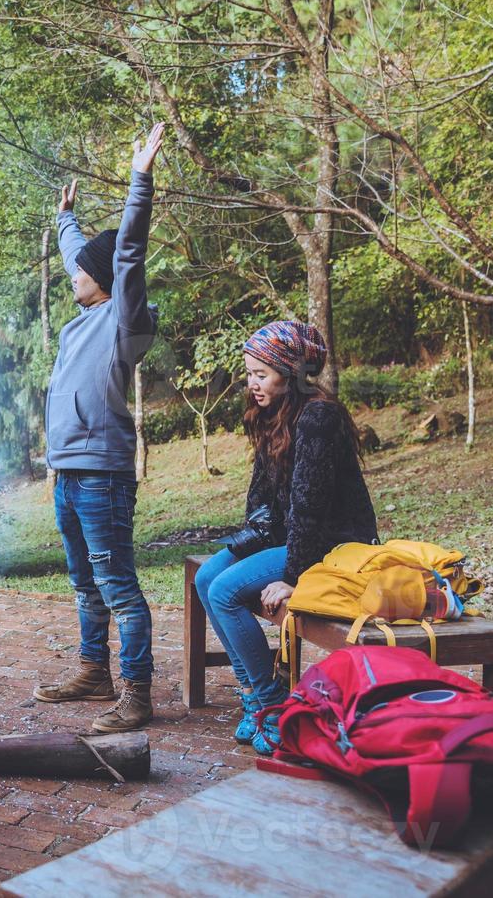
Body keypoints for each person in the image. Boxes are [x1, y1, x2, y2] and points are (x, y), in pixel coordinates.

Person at [32, 122, 165, 733]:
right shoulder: (82, 316)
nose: (72, 275)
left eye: (83, 270)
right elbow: (79, 256)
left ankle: (136, 693)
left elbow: (127, 252)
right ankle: (94, 671)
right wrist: (66, 220)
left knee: (116, 586)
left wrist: (140, 179)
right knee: (85, 583)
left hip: (102, 477)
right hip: (68, 473)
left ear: (105, 279)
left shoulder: (123, 321)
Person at [194, 321, 378, 754]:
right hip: (288, 534)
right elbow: (261, 497)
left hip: (334, 543)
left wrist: (297, 575)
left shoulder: (319, 416)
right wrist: (245, 543)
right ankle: (254, 695)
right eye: (249, 373)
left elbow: (310, 504)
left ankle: (273, 703)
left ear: (290, 372)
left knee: (224, 592)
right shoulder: (271, 412)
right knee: (207, 578)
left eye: (261, 374)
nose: (252, 383)